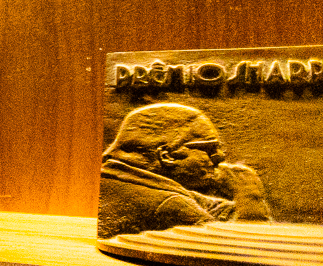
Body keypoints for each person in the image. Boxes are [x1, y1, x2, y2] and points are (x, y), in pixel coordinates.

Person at [98, 102, 272, 238]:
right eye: (209, 149)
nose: (219, 156)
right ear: (167, 156)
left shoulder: (118, 176)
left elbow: (206, 205)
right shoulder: (170, 204)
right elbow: (239, 250)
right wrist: (250, 197)